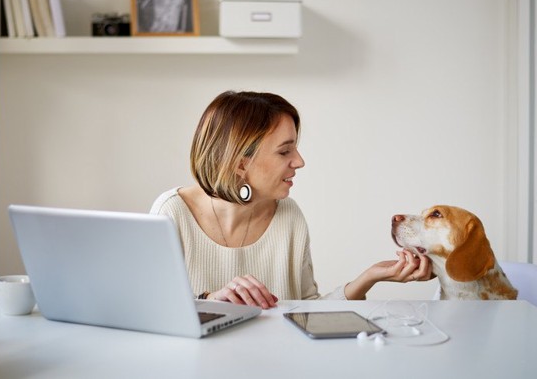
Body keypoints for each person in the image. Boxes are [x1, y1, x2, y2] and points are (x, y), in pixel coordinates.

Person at [150, 90, 431, 309]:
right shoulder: (172, 213)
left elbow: (308, 311)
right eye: (284, 152)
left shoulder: (289, 215)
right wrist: (211, 302)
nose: (299, 161)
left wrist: (370, 277)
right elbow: (150, 312)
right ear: (239, 164)